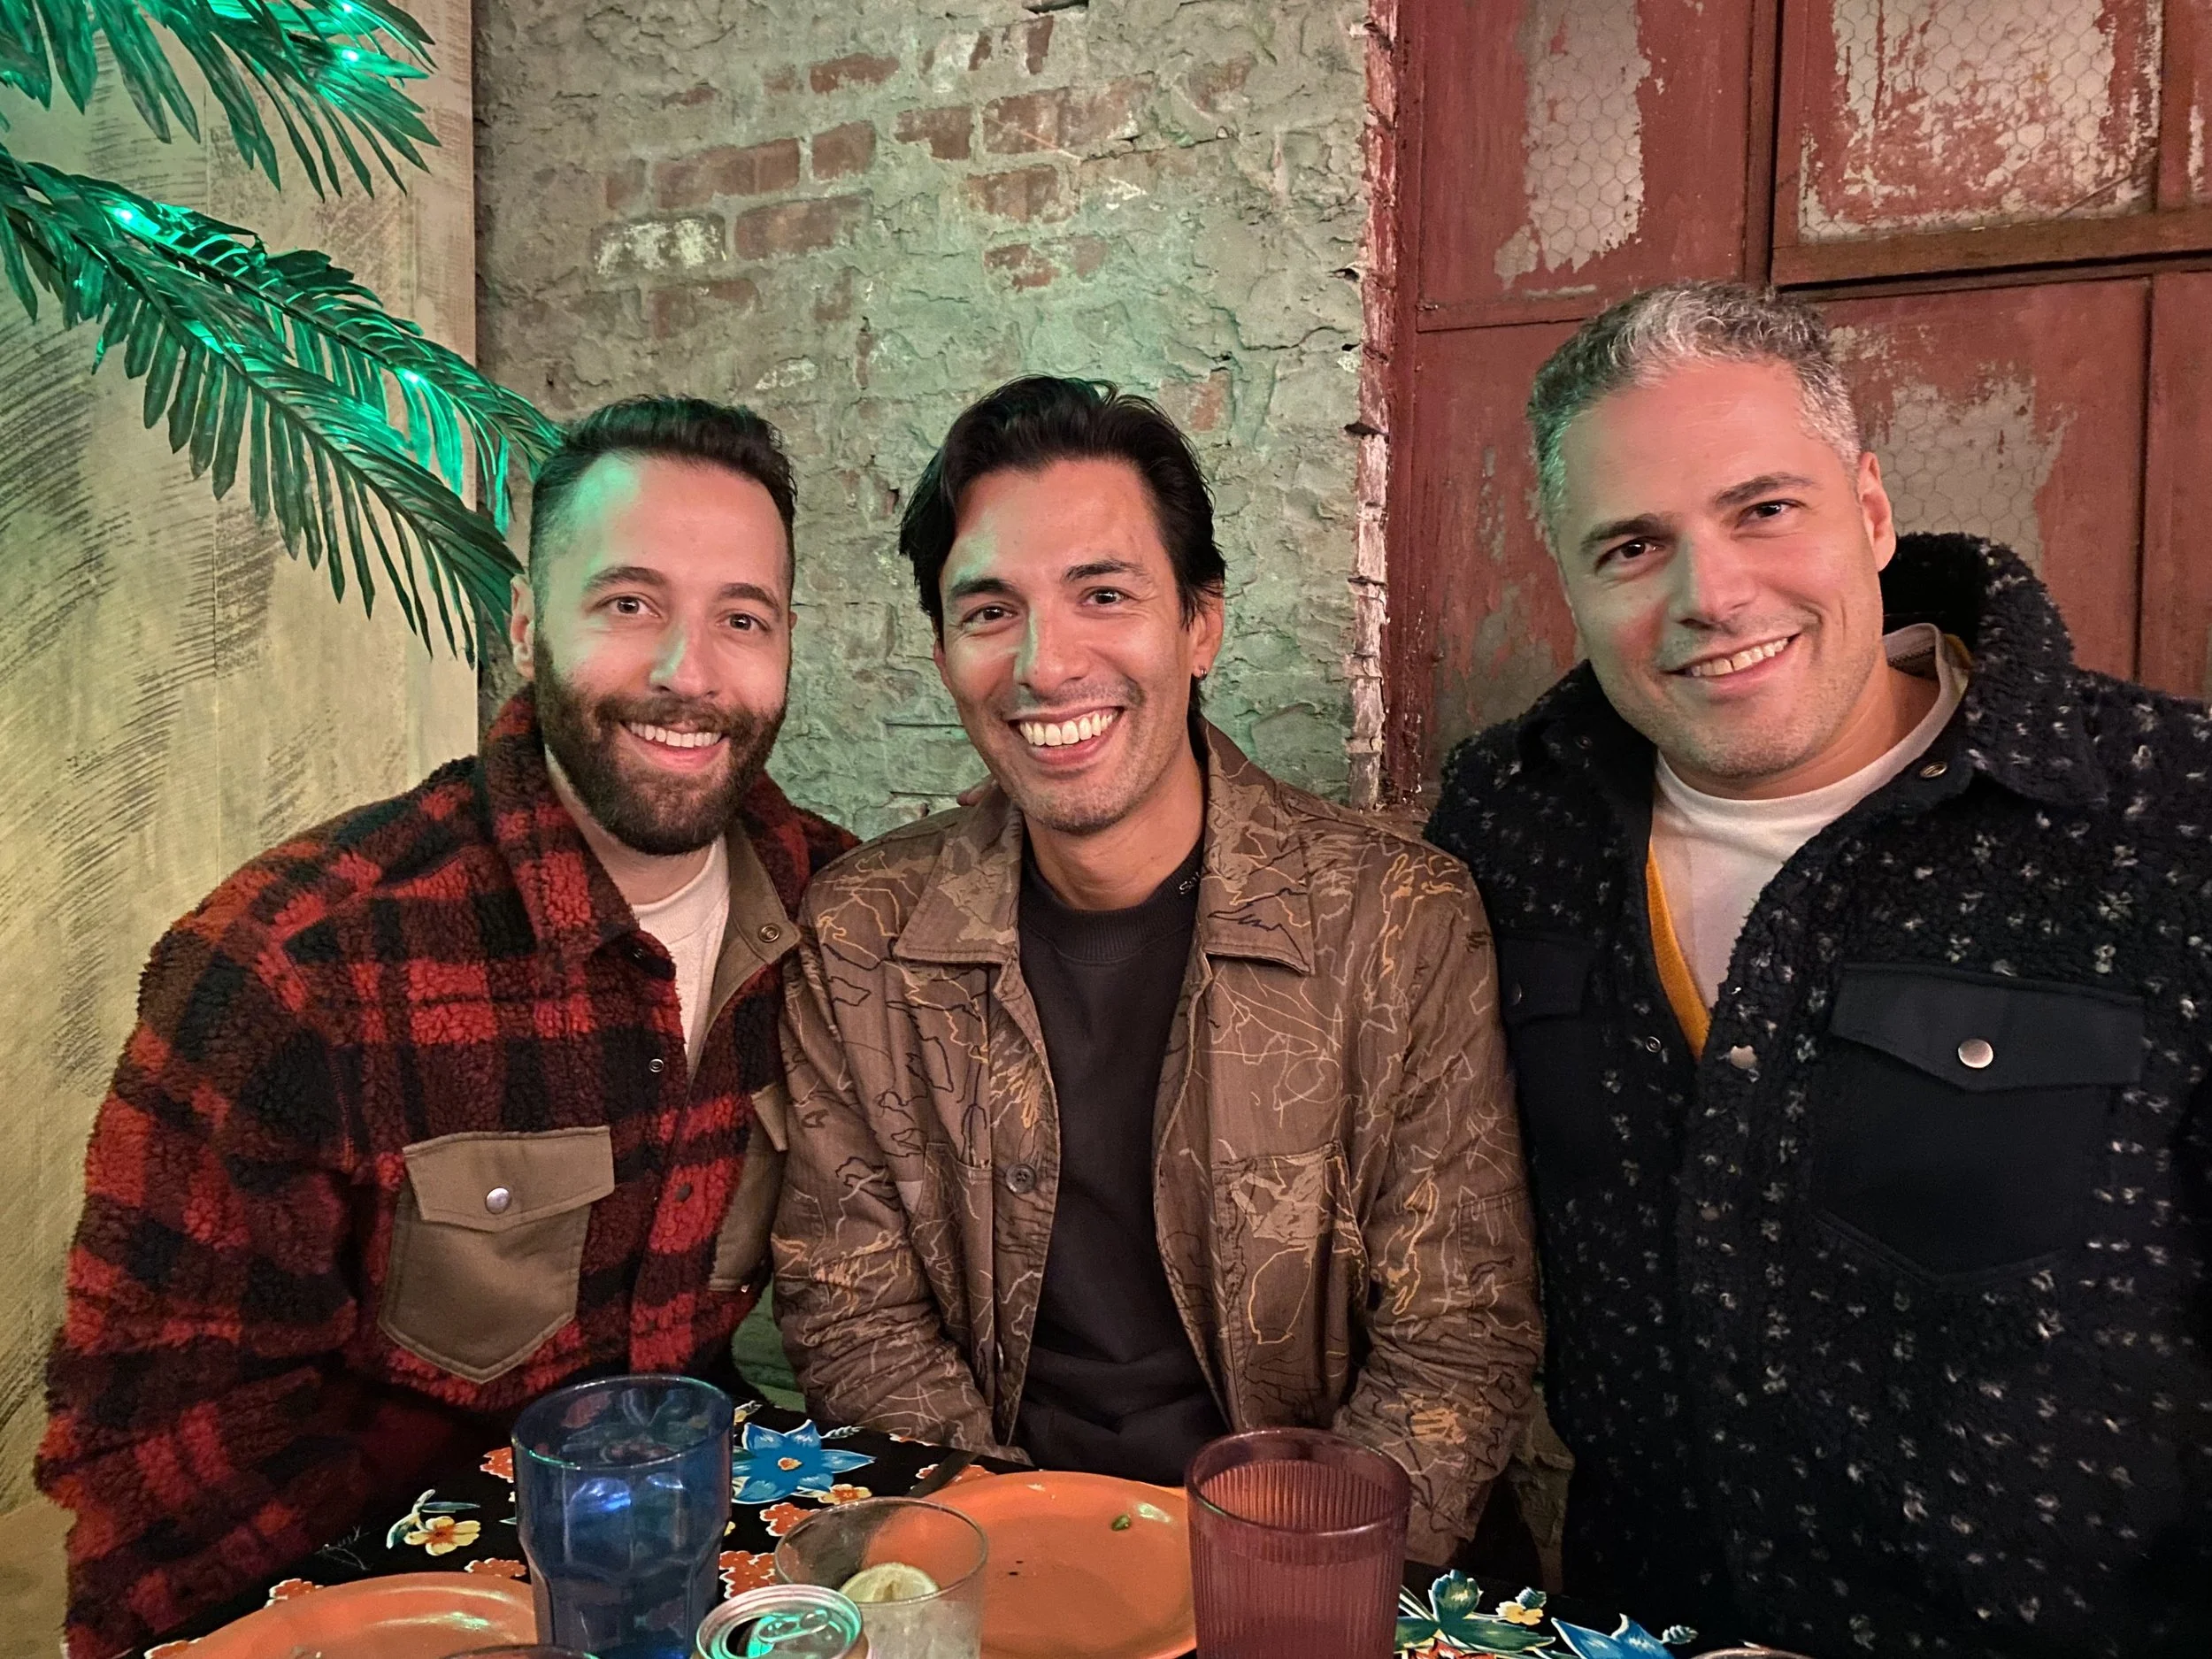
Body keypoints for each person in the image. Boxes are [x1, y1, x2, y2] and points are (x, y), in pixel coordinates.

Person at [1427, 281, 2212, 1658]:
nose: (1710, 593)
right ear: (1567, 577)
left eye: (1763, 508)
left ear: (1870, 506)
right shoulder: (1511, 818)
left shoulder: (2169, 819)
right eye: (1630, 546)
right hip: (1639, 1626)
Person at [37, 397, 854, 1658]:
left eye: (742, 617)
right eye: (629, 603)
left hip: (699, 1573)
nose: (690, 671)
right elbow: (157, 1466)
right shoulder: (296, 964)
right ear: (527, 625)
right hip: (382, 1601)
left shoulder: (842, 921)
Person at [771, 375, 1542, 1563]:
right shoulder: (866, 930)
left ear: (1200, 622)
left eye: (1104, 594)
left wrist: (1275, 1586)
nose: (1045, 663)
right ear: (940, 650)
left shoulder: (1397, 921)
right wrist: (1020, 1560)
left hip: (1317, 1576)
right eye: (988, 611)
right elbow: (853, 1310)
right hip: (1003, 1547)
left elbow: (1459, 1338)